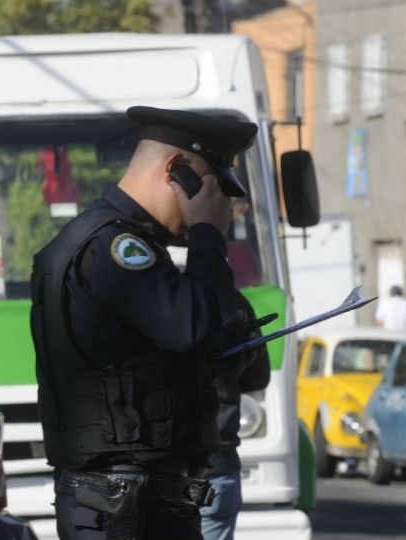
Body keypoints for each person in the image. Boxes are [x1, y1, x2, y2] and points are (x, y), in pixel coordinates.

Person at [31, 106, 264, 540]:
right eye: (212, 190)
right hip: (127, 502)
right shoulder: (117, 247)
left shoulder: (112, 241)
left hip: (129, 497)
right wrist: (206, 235)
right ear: (178, 171)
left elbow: (159, 352)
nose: (221, 207)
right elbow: (192, 326)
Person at [200, 293, 270, 540]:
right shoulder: (234, 301)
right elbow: (259, 378)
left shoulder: (161, 295)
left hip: (162, 468)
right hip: (219, 464)